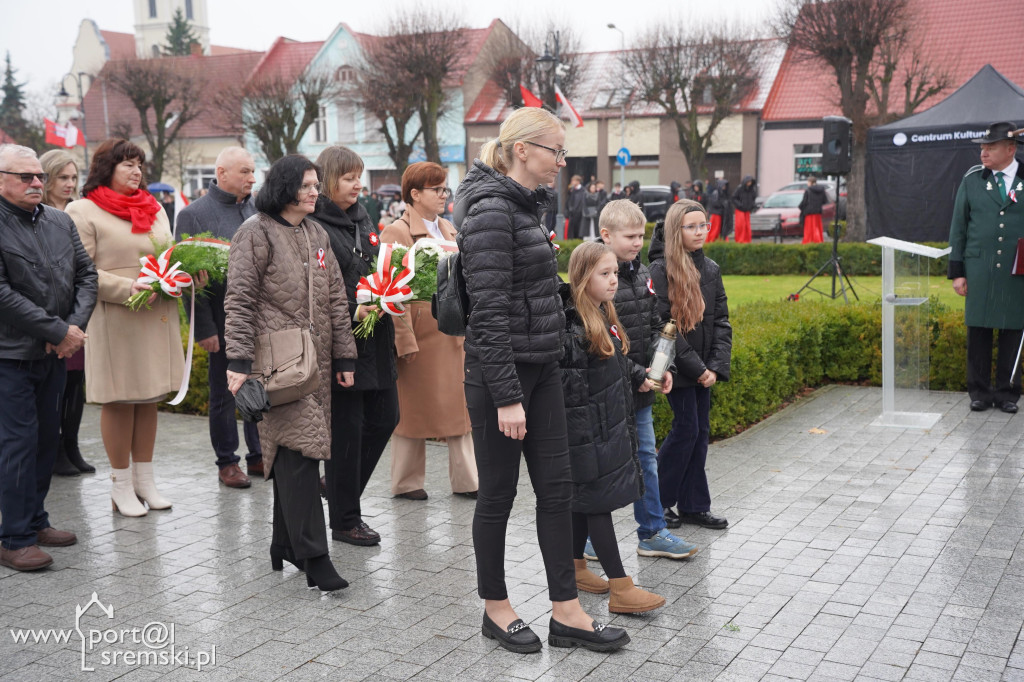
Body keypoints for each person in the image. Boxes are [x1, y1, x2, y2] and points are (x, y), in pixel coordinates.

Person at [456, 106, 628, 654]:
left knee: (557, 491)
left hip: (543, 367)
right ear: (522, 150)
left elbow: (528, 291)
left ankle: (567, 612)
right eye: (556, 150)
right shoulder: (490, 211)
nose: (562, 161)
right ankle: (496, 608)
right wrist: (507, 397)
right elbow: (487, 312)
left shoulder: (529, 206)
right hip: (500, 378)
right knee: (498, 496)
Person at [224, 155, 356, 591]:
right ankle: (315, 557)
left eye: (316, 185)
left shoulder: (316, 233)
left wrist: (345, 357)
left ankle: (284, 544)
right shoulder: (255, 232)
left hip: (315, 363)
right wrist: (238, 362)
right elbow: (239, 300)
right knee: (300, 453)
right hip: (276, 366)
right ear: (284, 188)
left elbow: (336, 299)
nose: (315, 192)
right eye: (306, 185)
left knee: (293, 450)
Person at [66, 139, 183, 518]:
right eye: (127, 164)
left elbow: (169, 254)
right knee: (120, 399)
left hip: (155, 313)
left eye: (139, 165)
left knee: (148, 398)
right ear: (107, 168)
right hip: (116, 316)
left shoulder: (154, 208)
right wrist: (125, 287)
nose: (137, 171)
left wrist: (184, 274)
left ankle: (144, 480)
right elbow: (80, 270)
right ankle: (120, 485)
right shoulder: (82, 210)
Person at [0, 144, 97, 571]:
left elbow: (86, 276)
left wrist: (71, 331)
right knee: (18, 445)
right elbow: (2, 294)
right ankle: (14, 538)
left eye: (39, 175)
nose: (37, 182)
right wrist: (57, 331)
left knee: (45, 441)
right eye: (26, 177)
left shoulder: (59, 220)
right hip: (10, 356)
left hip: (54, 354)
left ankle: (36, 521)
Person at [560, 241, 667, 614]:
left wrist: (640, 375)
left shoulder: (601, 313)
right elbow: (571, 392)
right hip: (589, 434)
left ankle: (576, 566)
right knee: (598, 504)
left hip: (604, 428)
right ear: (582, 277)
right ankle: (621, 588)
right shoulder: (575, 325)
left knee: (584, 502)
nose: (613, 280)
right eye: (604, 274)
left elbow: (615, 363)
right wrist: (587, 437)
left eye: (615, 273)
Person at [590, 199, 697, 561]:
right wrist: (636, 374)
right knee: (603, 465)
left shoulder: (642, 274)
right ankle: (588, 537)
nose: (638, 242)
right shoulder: (594, 276)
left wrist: (662, 367)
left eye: (641, 235)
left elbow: (654, 325)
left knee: (646, 460)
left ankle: (651, 531)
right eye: (630, 236)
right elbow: (598, 338)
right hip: (605, 392)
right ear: (606, 235)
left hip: (639, 391)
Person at [313, 146, 399, 547]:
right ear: (329, 180)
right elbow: (317, 291)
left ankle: (336, 487)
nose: (357, 185)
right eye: (349, 178)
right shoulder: (315, 226)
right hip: (342, 342)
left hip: (376, 338)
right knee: (346, 435)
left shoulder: (363, 217)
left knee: (387, 418)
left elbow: (376, 267)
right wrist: (353, 310)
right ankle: (345, 520)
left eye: (359, 177)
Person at [378, 162, 478, 501]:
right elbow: (391, 290)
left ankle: (467, 479)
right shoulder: (396, 231)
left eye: (444, 188)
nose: (443, 195)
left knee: (460, 408)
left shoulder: (449, 228)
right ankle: (406, 482)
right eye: (436, 189)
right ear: (415, 194)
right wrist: (404, 339)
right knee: (411, 411)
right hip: (420, 333)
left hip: (453, 331)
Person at [175, 147, 262, 489]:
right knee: (224, 394)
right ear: (222, 173)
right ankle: (227, 461)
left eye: (253, 171)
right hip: (221, 321)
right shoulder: (193, 215)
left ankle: (258, 455)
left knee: (257, 384)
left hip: (257, 318)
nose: (252, 178)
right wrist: (204, 328)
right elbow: (188, 277)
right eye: (244, 172)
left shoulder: (257, 209)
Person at [649, 199, 732, 531]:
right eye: (692, 227)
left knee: (700, 433)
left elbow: (721, 321)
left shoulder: (711, 268)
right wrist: (697, 368)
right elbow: (662, 325)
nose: (700, 232)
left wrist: (714, 366)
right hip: (677, 367)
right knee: (686, 429)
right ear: (675, 230)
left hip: (703, 369)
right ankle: (657, 502)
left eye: (704, 225)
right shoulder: (660, 270)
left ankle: (694, 505)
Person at [948, 121, 1024, 414]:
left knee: (1012, 329)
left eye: (990, 147)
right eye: (982, 147)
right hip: (978, 266)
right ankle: (979, 392)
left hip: (1017, 269)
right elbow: (958, 227)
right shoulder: (973, 179)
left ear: (1010, 149)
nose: (983, 152)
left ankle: (1007, 393)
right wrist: (957, 272)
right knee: (978, 330)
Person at [38, 150, 95, 476]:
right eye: (62, 177)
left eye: (73, 177)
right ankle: (55, 448)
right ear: (46, 178)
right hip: (50, 313)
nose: (69, 183)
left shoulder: (75, 214)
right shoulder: (37, 214)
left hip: (78, 311)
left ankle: (71, 445)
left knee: (76, 382)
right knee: (55, 386)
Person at [798, 176, 826, 244]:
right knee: (817, 227)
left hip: (809, 212)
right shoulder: (822, 190)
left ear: (811, 182)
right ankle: (818, 241)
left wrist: (800, 207)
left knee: (809, 229)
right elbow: (824, 200)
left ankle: (808, 241)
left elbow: (804, 202)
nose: (807, 183)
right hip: (818, 212)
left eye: (808, 182)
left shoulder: (808, 190)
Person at [732, 175, 758, 244]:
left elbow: (754, 198)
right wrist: (740, 205)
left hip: (747, 210)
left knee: (747, 226)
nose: (749, 183)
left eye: (750, 182)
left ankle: (747, 240)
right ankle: (740, 240)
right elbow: (734, 198)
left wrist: (752, 205)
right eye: (748, 181)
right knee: (740, 226)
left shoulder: (752, 190)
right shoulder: (739, 189)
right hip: (740, 210)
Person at [566, 174, 584, 240]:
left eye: (573, 181)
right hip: (572, 214)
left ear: (578, 181)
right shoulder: (572, 190)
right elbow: (568, 201)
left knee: (579, 231)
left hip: (580, 214)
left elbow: (582, 202)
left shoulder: (583, 191)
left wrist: (579, 210)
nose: (571, 182)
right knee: (571, 232)